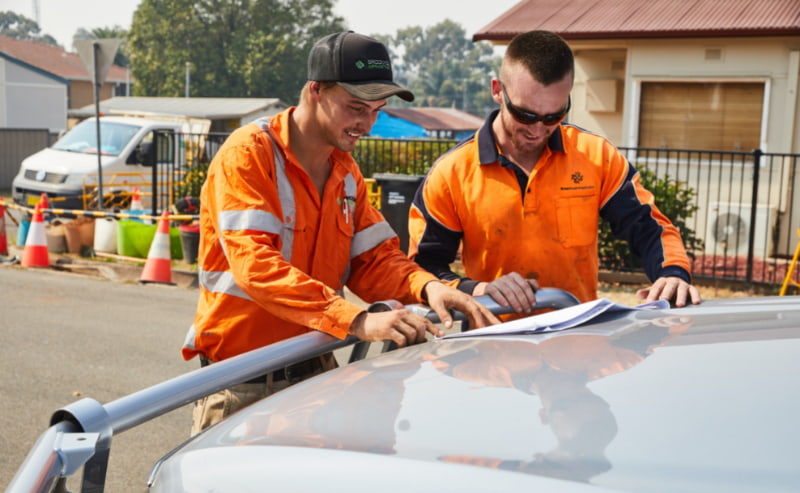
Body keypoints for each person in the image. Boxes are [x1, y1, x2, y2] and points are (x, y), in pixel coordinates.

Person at [183, 31, 499, 434]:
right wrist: (354, 320)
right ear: (315, 90)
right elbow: (256, 266)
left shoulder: (346, 173)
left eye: (376, 110)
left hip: (315, 374)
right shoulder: (249, 153)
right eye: (355, 108)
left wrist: (427, 287)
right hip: (242, 386)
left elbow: (374, 261)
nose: (366, 123)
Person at [408, 30, 701, 315]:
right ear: (498, 90)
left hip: (578, 342)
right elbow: (423, 271)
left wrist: (672, 273)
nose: (538, 129)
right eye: (525, 114)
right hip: (493, 347)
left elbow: (647, 225)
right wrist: (479, 289)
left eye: (554, 116)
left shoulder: (595, 156)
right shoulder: (451, 173)